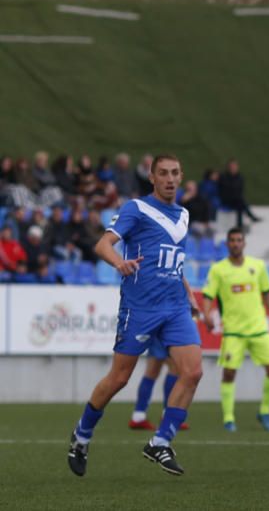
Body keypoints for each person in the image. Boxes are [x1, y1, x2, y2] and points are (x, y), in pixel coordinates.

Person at [67, 154, 203, 478]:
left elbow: (173, 260)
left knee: (193, 371)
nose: (169, 179)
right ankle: (82, 435)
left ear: (181, 176)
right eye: (163, 173)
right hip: (140, 307)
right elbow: (103, 244)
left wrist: (188, 291)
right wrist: (119, 263)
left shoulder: (183, 215)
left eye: (174, 173)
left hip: (174, 307)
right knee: (119, 379)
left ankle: (160, 441)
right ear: (152, 178)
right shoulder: (137, 209)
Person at [201, 228, 269, 432]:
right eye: (232, 240)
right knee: (229, 373)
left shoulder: (258, 266)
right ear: (227, 244)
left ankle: (264, 411)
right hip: (233, 332)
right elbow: (208, 295)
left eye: (239, 240)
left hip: (259, 329)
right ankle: (229, 418)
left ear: (244, 243)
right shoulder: (218, 269)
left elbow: (268, 294)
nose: (236, 243)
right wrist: (207, 314)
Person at [128, 339, 188, 432]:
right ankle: (168, 416)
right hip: (167, 330)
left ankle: (138, 416)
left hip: (155, 330)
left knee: (152, 371)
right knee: (174, 368)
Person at [219, 159, 260, 229]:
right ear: (229, 167)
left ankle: (240, 224)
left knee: (240, 203)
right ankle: (248, 218)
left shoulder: (240, 177)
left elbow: (240, 189)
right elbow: (225, 189)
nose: (233, 168)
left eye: (235, 166)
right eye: (232, 166)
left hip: (237, 199)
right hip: (226, 199)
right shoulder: (224, 177)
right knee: (240, 202)